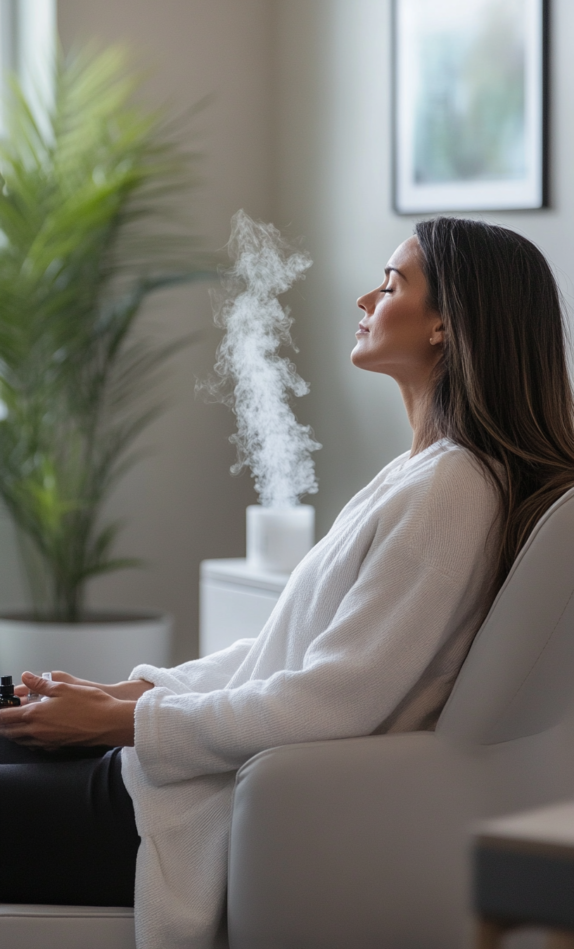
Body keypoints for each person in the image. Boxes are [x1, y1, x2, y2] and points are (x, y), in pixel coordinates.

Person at [2, 216, 574, 949]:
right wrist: (127, 694)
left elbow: (328, 701)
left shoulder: (452, 490)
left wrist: (117, 724)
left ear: (445, 325)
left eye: (394, 283)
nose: (367, 298)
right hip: (173, 771)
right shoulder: (420, 474)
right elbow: (278, 653)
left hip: (179, 808)